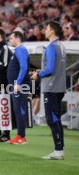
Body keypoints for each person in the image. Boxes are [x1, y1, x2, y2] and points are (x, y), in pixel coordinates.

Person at [32, 21, 66, 160]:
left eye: (46, 28)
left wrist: (38, 74)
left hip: (51, 87)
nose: (45, 30)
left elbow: (51, 68)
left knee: (52, 119)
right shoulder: (61, 46)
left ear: (52, 31)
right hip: (59, 86)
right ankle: (60, 149)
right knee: (56, 119)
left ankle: (58, 151)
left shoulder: (52, 47)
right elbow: (55, 67)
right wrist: (42, 71)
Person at [7, 31, 31, 144]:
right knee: (17, 110)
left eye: (11, 38)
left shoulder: (21, 50)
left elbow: (24, 67)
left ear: (17, 39)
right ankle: (19, 135)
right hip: (17, 85)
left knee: (20, 110)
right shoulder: (18, 51)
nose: (10, 40)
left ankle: (21, 136)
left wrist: (18, 83)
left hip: (20, 86)